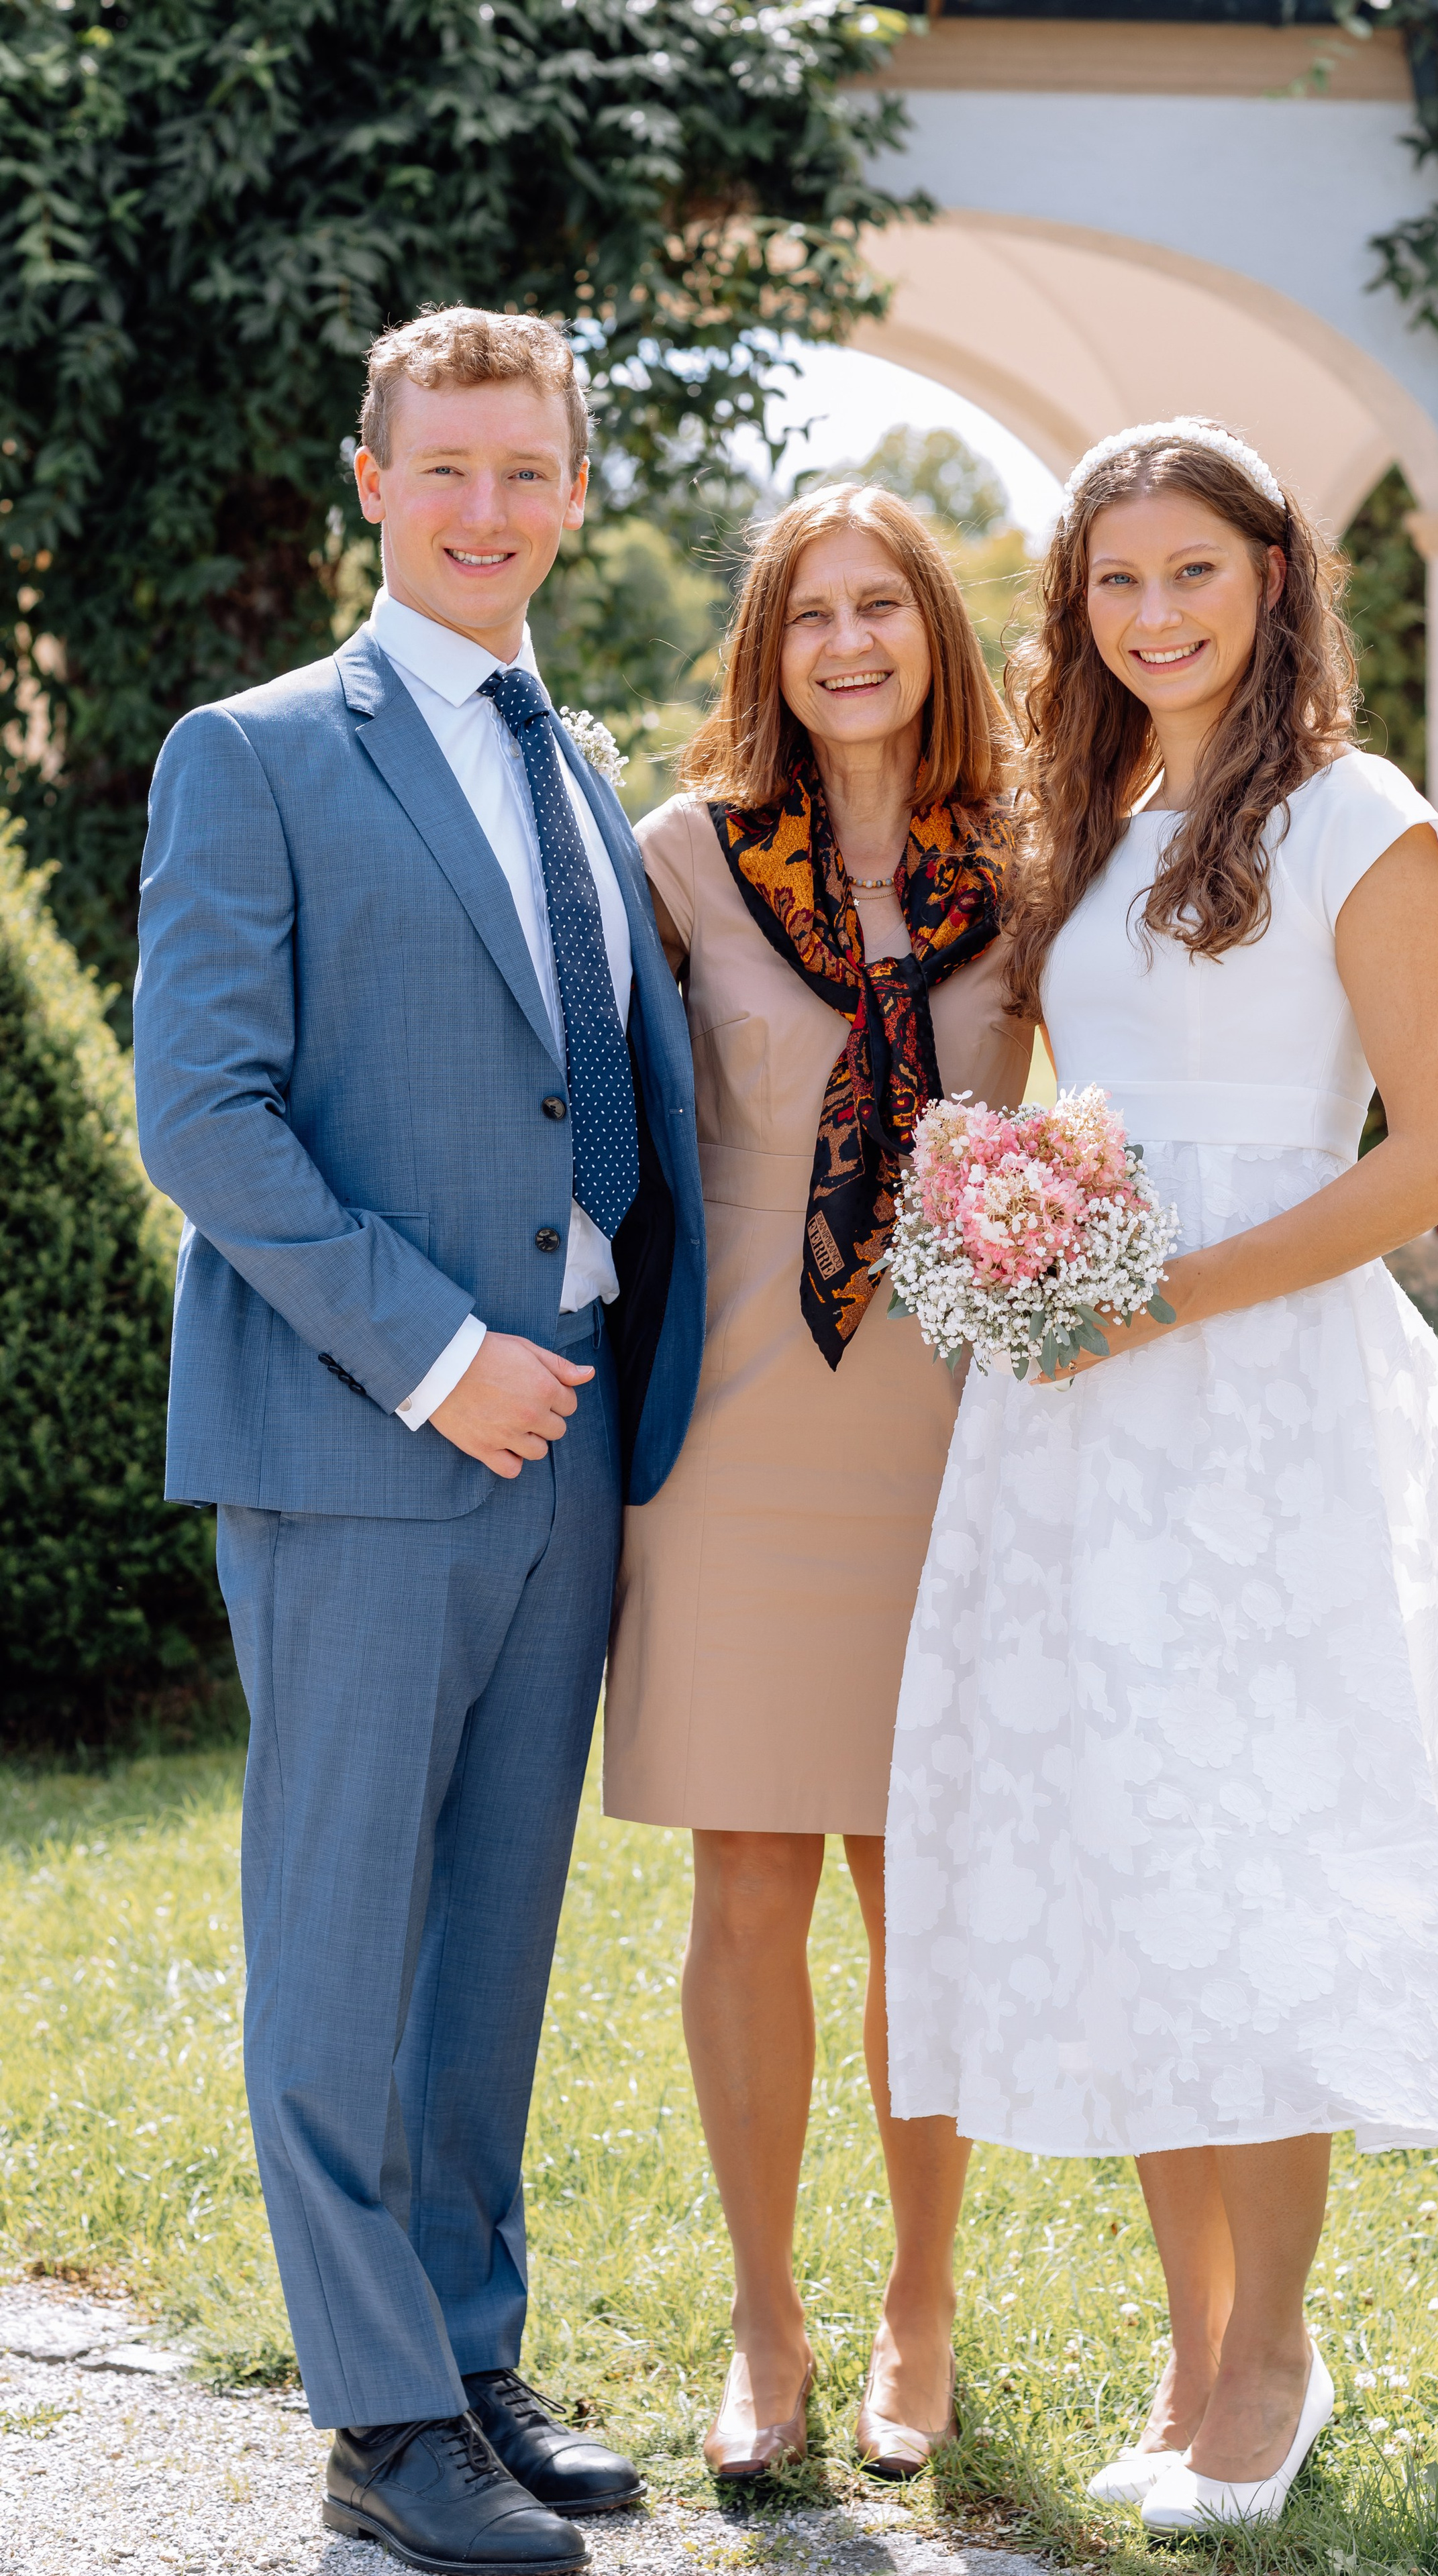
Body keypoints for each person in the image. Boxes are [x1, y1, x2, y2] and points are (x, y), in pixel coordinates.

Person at [883, 418, 1438, 2532]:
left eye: (1193, 577)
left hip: (1267, 1401)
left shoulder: (1357, 818)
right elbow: (1089, 1101)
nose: (1154, 618)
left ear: (1271, 578)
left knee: (1257, 1855)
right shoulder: (1103, 816)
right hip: (1082, 1407)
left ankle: (1275, 2356)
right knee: (1142, 1860)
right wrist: (1020, 1225)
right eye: (1115, 585)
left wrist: (1175, 1293)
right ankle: (1189, 2333)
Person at [133, 307, 707, 2576]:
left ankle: (468, 2358)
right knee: (342, 1937)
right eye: (447, 467)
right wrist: (431, 1349)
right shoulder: (256, 751)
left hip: (568, 1448)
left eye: (529, 469)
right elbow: (208, 1113)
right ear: (370, 479)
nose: (490, 509)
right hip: (378, 1437)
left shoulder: (577, 765)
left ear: (578, 489)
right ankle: (378, 2422)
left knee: (489, 1947)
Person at [603, 484, 1031, 2481]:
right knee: (748, 1883)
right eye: (809, 616)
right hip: (738, 1437)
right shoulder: (681, 863)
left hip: (958, 1436)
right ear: (764, 652)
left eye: (885, 607)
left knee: (922, 1897)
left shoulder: (1030, 867)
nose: (850, 643)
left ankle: (917, 2307)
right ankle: (765, 2323)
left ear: (938, 632)